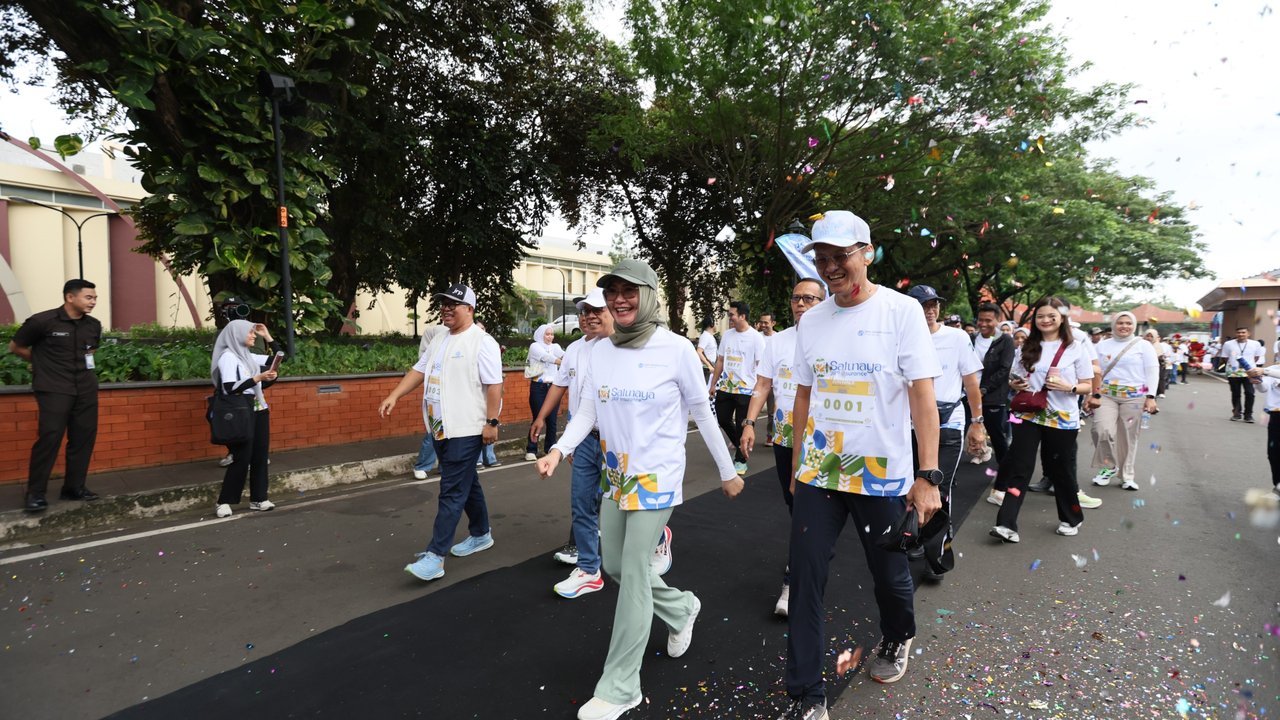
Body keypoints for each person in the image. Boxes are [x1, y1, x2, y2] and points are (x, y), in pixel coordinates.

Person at [535, 259, 742, 720]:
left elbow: (702, 413)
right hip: (617, 478)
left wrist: (727, 471)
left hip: (658, 478)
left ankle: (620, 686)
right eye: (612, 293)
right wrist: (559, 451)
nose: (619, 300)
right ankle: (682, 607)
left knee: (632, 570)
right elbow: (586, 411)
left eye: (629, 291)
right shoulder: (601, 350)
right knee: (612, 565)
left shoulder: (677, 350)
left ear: (649, 295)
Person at [779, 210, 943, 720]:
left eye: (839, 256)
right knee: (805, 577)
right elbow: (804, 394)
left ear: (867, 253)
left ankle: (898, 636)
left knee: (889, 573)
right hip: (820, 473)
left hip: (880, 474)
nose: (830, 268)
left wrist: (928, 474)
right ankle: (808, 693)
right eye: (821, 259)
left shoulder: (900, 312)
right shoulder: (813, 320)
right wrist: (798, 458)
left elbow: (921, 396)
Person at [381, 284, 504, 582]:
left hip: (466, 428)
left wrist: (492, 423)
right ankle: (481, 533)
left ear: (470, 309)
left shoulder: (481, 342)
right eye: (443, 304)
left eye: (454, 304)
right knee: (466, 483)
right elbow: (419, 371)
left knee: (451, 491)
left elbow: (494, 385)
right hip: (439, 428)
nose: (446, 308)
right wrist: (395, 395)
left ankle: (436, 556)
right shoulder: (439, 339)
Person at [739, 278, 826, 617]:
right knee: (796, 509)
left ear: (823, 301)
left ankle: (795, 580)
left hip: (823, 443)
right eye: (796, 298)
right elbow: (762, 386)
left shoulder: (834, 340)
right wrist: (748, 423)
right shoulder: (777, 343)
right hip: (786, 438)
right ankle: (808, 563)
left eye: (809, 298)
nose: (801, 304)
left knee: (809, 512)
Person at [989, 297, 1093, 544]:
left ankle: (1071, 518)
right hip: (1029, 414)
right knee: (1019, 467)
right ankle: (1006, 523)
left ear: (1061, 319)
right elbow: (1014, 377)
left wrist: (1070, 387)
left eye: (1051, 316)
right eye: (1040, 317)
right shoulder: (1026, 346)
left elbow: (1089, 384)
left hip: (1062, 417)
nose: (1045, 320)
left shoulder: (1075, 347)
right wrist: (1015, 383)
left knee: (1062, 470)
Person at [906, 285, 985, 582]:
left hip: (949, 420)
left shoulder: (957, 337)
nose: (930, 310)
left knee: (938, 489)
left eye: (934, 304)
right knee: (909, 486)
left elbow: (971, 382)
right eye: (923, 305)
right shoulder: (900, 337)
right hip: (908, 424)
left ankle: (935, 553)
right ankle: (914, 538)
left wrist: (977, 422)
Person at [9, 279, 103, 512]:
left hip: (85, 388)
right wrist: (39, 363)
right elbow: (16, 346)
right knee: (49, 438)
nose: (93, 302)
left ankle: (74, 488)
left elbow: (91, 351)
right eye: (88, 297)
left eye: (94, 298)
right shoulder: (42, 321)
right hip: (53, 388)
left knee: (83, 439)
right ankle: (35, 494)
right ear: (70, 297)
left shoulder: (93, 325)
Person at [211, 320, 281, 517]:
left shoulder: (248, 356)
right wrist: (258, 378)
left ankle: (259, 499)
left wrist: (268, 336)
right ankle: (224, 502)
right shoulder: (228, 357)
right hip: (241, 410)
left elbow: (279, 358)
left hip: (259, 409)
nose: (253, 336)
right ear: (236, 335)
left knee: (260, 456)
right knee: (242, 457)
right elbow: (230, 387)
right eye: (250, 333)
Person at [1087, 311, 1159, 491]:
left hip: (1134, 397)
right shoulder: (1102, 346)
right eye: (1120, 323)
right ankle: (1108, 467)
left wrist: (1150, 397)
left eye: (1128, 323)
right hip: (1106, 395)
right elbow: (1093, 372)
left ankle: (1126, 475)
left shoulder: (1143, 345)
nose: (1124, 326)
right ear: (1113, 325)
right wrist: (1091, 394)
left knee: (1128, 437)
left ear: (1134, 325)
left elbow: (1152, 370)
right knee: (1101, 430)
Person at [710, 300, 766, 475]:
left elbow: (761, 366)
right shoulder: (727, 335)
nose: (729, 318)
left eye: (732, 315)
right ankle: (742, 444)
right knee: (722, 419)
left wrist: (758, 391)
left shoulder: (756, 338)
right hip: (726, 387)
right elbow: (720, 360)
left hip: (746, 389)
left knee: (743, 426)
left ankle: (741, 461)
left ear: (742, 316)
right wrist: (713, 383)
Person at [973, 302, 1015, 465]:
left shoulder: (1005, 340)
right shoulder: (970, 339)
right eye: (980, 320)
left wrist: (984, 389)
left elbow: (1004, 369)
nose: (983, 324)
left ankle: (1005, 470)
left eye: (988, 320)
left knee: (996, 435)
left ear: (998, 320)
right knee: (962, 433)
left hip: (992, 396)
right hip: (968, 394)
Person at [412, 323, 448, 479]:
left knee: (450, 434)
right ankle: (422, 465)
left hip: (454, 397)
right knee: (435, 431)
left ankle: (444, 466)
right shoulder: (434, 336)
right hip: (436, 395)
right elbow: (420, 368)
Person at [525, 324, 565, 460]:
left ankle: (550, 448)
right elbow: (545, 357)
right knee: (538, 418)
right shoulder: (535, 346)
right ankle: (531, 449)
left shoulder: (555, 347)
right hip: (538, 387)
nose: (550, 337)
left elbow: (565, 355)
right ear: (541, 334)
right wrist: (563, 362)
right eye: (547, 334)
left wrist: (568, 360)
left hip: (553, 387)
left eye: (552, 334)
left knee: (552, 420)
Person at [1244, 364, 1280, 496]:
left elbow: (1268, 373)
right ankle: (1277, 488)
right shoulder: (1274, 368)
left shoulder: (1270, 370)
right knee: (1274, 454)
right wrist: (1256, 381)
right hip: (1276, 415)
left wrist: (1265, 371)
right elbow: (1264, 388)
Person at [1223, 327, 1265, 422]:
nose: (1241, 334)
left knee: (1250, 393)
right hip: (1233, 373)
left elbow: (1256, 358)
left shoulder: (1255, 344)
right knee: (1235, 393)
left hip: (1250, 372)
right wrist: (1234, 365)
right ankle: (1237, 414)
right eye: (1238, 332)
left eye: (1243, 332)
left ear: (1248, 333)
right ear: (1236, 333)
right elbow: (1225, 358)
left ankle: (1248, 415)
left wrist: (1248, 367)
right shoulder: (1228, 344)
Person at [756, 311, 778, 444]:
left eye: (766, 322)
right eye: (761, 322)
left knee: (771, 411)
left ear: (773, 323)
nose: (763, 325)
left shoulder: (779, 338)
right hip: (755, 380)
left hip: (771, 381)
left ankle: (770, 434)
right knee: (747, 410)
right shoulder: (756, 337)